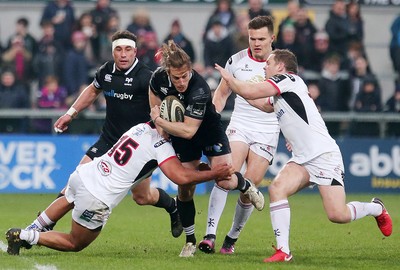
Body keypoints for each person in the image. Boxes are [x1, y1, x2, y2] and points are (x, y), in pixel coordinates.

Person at [215, 48, 393, 263]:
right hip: (301, 158)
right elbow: (260, 103)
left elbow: (254, 92)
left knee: (338, 215)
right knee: (277, 188)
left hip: (323, 155)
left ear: (280, 66)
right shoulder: (280, 91)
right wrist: (236, 90)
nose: (265, 66)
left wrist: (230, 78)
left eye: (269, 63)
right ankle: (284, 251)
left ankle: (376, 208)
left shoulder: (288, 79)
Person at [28, 30, 183, 240]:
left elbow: (166, 105)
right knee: (77, 179)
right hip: (108, 140)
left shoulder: (146, 78)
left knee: (142, 196)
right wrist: (70, 114)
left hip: (136, 149)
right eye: (118, 49)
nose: (123, 54)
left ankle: (173, 207)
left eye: (128, 49)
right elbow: (92, 90)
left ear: (135, 52)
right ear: (112, 52)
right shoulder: (106, 71)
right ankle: (44, 225)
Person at [5, 121, 235, 255]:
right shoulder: (161, 145)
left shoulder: (141, 127)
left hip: (83, 174)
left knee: (68, 199)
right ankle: (25, 235)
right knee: (75, 242)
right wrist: (216, 172)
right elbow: (181, 177)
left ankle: (32, 228)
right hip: (98, 196)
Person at [148, 40, 265, 257]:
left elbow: (190, 130)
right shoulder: (158, 78)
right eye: (176, 78)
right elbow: (154, 99)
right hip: (181, 136)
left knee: (224, 178)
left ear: (191, 69)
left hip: (207, 131)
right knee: (185, 186)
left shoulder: (200, 89)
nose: (181, 81)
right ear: (167, 73)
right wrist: (158, 119)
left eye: (185, 75)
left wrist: (161, 122)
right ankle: (190, 240)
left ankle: (245, 184)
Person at [199, 15, 279, 255]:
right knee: (225, 175)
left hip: (268, 130)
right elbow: (222, 94)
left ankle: (230, 239)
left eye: (261, 39)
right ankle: (209, 235)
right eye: (252, 38)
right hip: (240, 124)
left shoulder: (281, 63)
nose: (256, 43)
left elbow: (286, 101)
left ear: (272, 38)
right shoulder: (236, 60)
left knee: (249, 189)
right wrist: (211, 120)